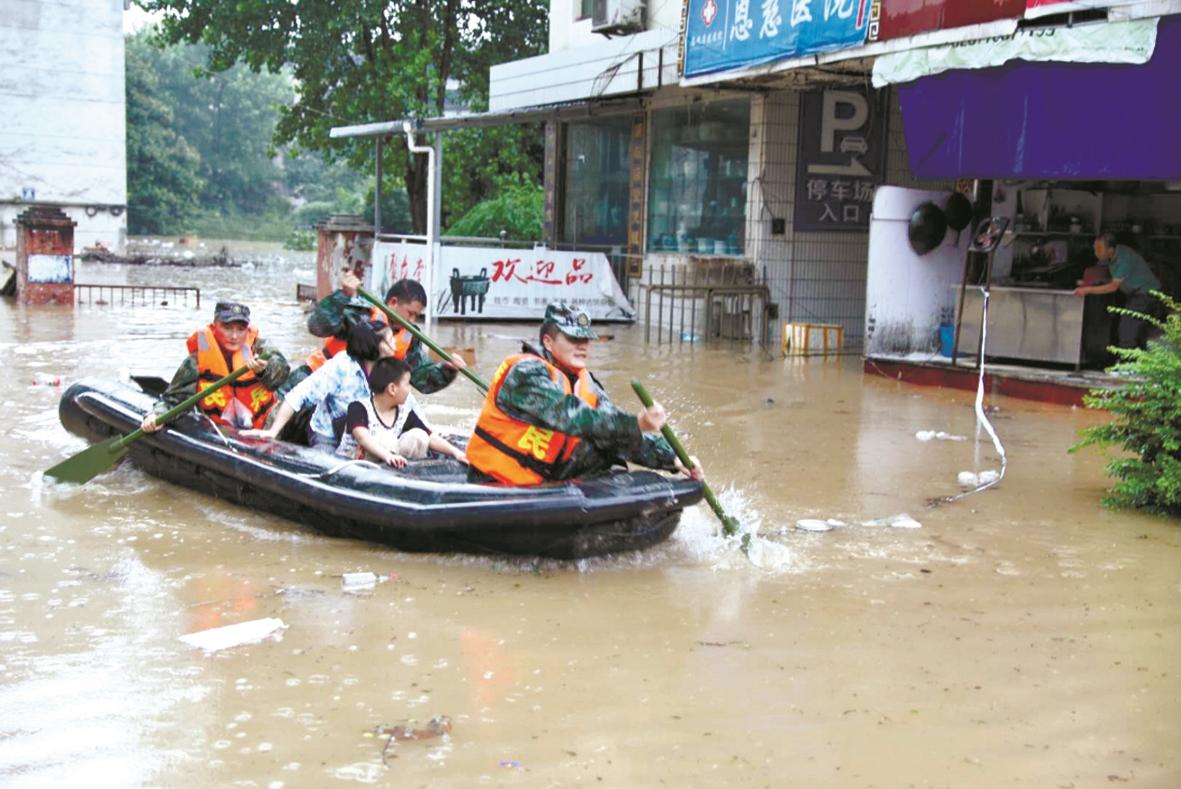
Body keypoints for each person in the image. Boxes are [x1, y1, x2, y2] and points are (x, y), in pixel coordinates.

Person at [466, 303, 704, 486]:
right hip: (494, 481)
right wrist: (637, 423)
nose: (582, 346)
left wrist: (672, 459)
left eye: (586, 339)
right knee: (596, 433)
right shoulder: (527, 373)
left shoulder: (586, 383)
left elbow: (610, 428)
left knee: (607, 446)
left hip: (544, 479)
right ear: (548, 342)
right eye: (573, 339)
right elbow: (572, 417)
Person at [282, 271, 466, 395]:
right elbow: (317, 326)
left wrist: (447, 370)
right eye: (410, 313)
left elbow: (421, 379)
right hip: (316, 381)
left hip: (355, 395)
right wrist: (343, 295)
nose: (411, 321)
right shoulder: (361, 313)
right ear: (393, 302)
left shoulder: (410, 337)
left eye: (417, 316)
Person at [141, 301, 289, 433]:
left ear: (248, 330)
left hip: (266, 427)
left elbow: (281, 370)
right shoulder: (196, 361)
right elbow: (173, 400)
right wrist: (157, 416)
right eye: (227, 327)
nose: (234, 336)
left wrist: (263, 371)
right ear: (214, 327)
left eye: (240, 329)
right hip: (221, 431)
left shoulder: (259, 348)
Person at [249, 318, 393, 451]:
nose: (395, 344)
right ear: (376, 345)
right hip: (329, 434)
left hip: (366, 433)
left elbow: (404, 406)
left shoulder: (390, 370)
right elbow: (298, 395)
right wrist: (273, 431)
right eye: (390, 340)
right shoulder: (342, 367)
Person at [337, 356, 467, 468]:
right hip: (358, 464)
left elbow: (430, 436)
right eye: (407, 384)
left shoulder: (404, 412)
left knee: (419, 436)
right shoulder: (358, 408)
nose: (410, 389)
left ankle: (405, 475)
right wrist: (388, 456)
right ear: (392, 389)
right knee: (386, 440)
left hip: (392, 460)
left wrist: (457, 453)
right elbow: (362, 437)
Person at [1073, 233, 1162, 349]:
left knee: (1127, 330)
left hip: (1145, 294)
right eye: (1095, 249)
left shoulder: (1124, 258)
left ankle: (1127, 362)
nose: (1096, 253)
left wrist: (1088, 290)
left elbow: (1113, 286)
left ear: (1110, 250)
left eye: (1099, 250)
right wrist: (1102, 281)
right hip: (1136, 293)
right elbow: (1117, 279)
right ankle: (1135, 360)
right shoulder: (1113, 256)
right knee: (1137, 331)